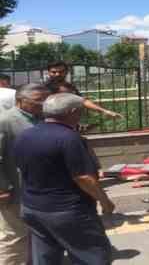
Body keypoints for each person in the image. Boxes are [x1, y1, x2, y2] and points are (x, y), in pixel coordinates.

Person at [15, 93, 115, 265]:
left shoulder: (25, 135)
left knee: (45, 258)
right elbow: (83, 178)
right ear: (73, 111)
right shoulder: (69, 138)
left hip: (32, 208)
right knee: (92, 257)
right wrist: (105, 202)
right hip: (67, 211)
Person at [0, 84, 50, 265]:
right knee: (14, 235)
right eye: (39, 101)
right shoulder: (5, 121)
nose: (44, 104)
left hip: (37, 188)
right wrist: (2, 188)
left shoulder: (41, 118)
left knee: (33, 232)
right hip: (13, 188)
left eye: (46, 100)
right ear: (21, 101)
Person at [44, 61, 122, 118]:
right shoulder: (42, 88)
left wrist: (104, 111)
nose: (57, 74)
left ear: (66, 72)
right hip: (48, 124)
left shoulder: (70, 87)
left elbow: (82, 101)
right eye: (54, 72)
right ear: (48, 72)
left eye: (61, 71)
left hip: (69, 123)